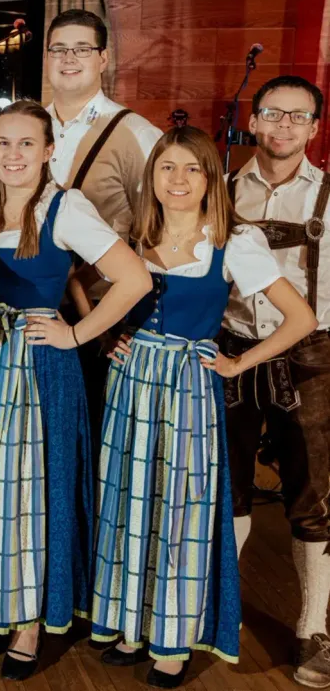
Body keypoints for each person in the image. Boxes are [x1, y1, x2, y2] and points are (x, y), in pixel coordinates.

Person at [92, 125, 315, 688]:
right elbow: (84, 283)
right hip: (131, 384)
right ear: (152, 176)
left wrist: (239, 364)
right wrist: (106, 335)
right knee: (127, 501)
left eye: (193, 168)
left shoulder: (233, 242)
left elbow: (302, 320)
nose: (178, 179)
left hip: (190, 389)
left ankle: (172, 638)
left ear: (212, 178)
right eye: (167, 166)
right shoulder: (133, 237)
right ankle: (130, 624)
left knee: (180, 509)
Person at [0, 100, 151, 680]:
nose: (12, 155)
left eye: (25, 144)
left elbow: (134, 278)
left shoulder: (66, 207)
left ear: (48, 151)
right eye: (4, 143)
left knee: (29, 488)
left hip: (37, 359)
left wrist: (78, 334)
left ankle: (30, 620)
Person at [221, 75, 330, 689]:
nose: (284, 125)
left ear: (314, 129)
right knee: (226, 482)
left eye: (298, 116)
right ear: (254, 121)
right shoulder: (221, 191)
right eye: (272, 114)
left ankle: (313, 628)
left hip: (313, 353)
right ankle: (219, 607)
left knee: (313, 494)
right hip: (232, 346)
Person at [45, 9, 163, 434]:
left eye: (82, 48)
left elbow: (159, 229)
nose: (69, 58)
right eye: (59, 48)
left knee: (95, 433)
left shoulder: (135, 132)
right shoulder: (32, 128)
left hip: (100, 314)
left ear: (104, 58)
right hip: (36, 309)